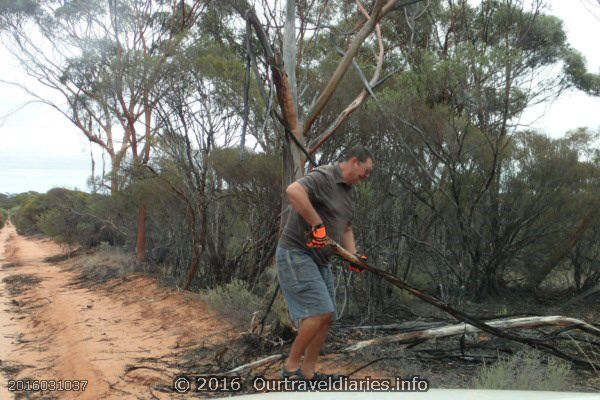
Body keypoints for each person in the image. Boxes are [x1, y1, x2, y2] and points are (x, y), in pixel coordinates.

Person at [276, 145, 373, 380]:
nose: (366, 176)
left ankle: (308, 373)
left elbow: (347, 228)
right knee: (320, 311)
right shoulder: (325, 176)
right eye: (366, 171)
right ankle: (290, 369)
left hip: (321, 259)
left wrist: (354, 257)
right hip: (296, 252)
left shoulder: (350, 193)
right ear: (354, 161)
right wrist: (317, 225)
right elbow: (294, 190)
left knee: (328, 317)